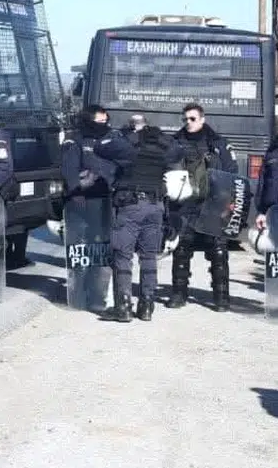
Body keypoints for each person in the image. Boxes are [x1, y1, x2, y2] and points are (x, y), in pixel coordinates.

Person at [101, 120, 181, 323]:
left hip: (131, 206)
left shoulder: (128, 145)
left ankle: (124, 306)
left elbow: (101, 148)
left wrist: (128, 135)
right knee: (149, 257)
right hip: (156, 207)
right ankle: (146, 306)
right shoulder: (166, 148)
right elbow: (178, 153)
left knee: (123, 255)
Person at [167, 102, 238, 311]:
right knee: (181, 250)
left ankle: (221, 297)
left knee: (218, 252)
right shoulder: (175, 143)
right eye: (185, 119)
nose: (188, 123)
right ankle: (179, 294)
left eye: (192, 119)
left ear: (202, 119)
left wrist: (228, 202)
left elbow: (231, 171)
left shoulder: (218, 143)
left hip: (213, 204)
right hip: (185, 204)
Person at [59, 104, 119, 202]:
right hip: (86, 196)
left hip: (111, 194)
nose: (105, 124)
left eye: (106, 121)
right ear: (89, 122)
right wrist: (76, 192)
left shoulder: (112, 137)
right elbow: (70, 168)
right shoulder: (75, 140)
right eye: (100, 121)